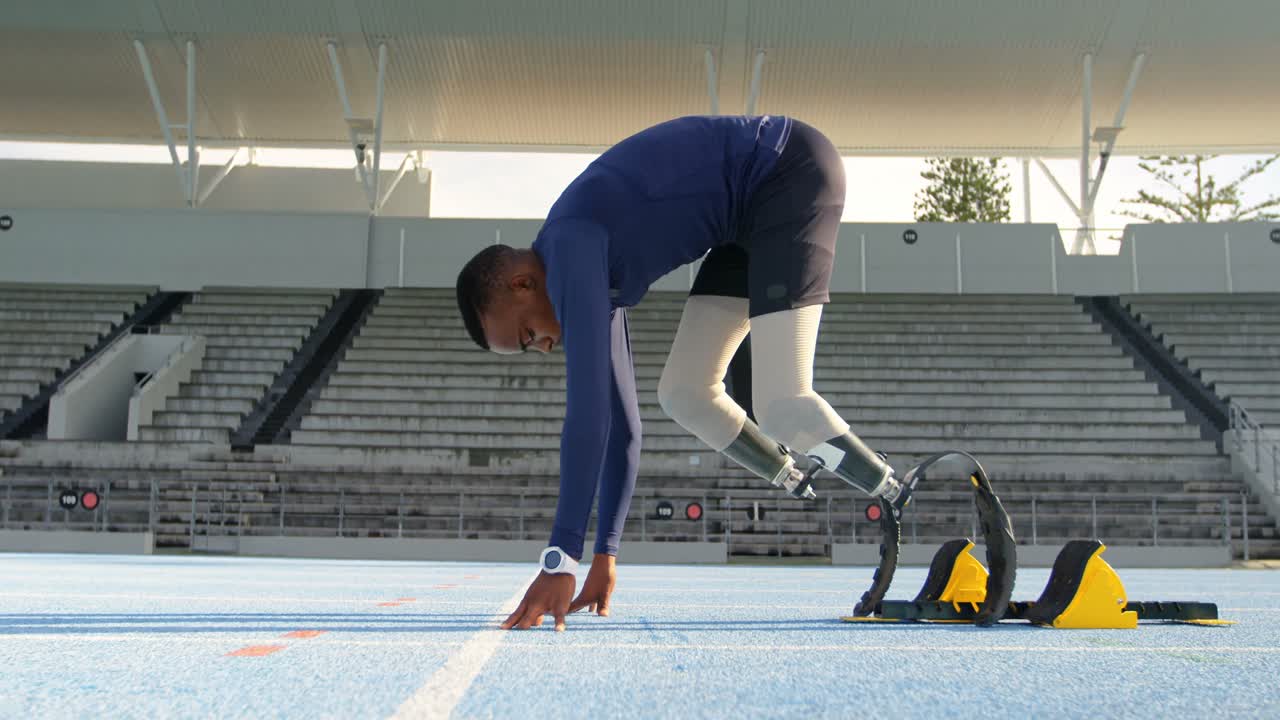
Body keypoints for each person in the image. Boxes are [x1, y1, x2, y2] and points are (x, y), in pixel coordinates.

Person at [454, 115, 916, 632]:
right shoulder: (585, 265)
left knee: (782, 403)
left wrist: (562, 556)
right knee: (683, 393)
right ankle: (792, 472)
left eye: (526, 336)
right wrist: (605, 554)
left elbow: (589, 417)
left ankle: (898, 490)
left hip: (789, 170)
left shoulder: (571, 246)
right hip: (745, 219)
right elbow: (625, 430)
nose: (542, 348)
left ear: (522, 284)